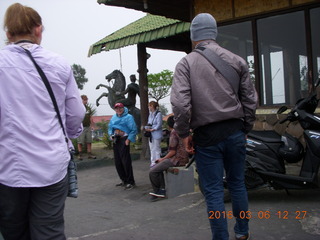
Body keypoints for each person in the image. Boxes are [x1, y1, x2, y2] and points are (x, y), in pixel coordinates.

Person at [0, 3, 85, 240]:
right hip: (51, 164)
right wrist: (69, 133)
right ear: (38, 29)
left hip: (7, 166)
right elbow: (76, 113)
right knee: (49, 232)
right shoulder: (59, 64)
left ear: (8, 33)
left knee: (14, 232)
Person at [171, 13, 258, 240]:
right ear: (214, 33)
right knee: (238, 184)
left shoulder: (186, 63)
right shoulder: (237, 60)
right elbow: (250, 100)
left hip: (207, 136)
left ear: (193, 36)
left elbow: (180, 104)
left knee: (213, 192)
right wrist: (245, 129)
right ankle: (242, 231)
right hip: (235, 131)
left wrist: (183, 133)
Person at [149, 115, 189, 202]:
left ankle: (159, 191)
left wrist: (162, 159)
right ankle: (161, 189)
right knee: (159, 167)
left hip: (177, 159)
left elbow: (172, 152)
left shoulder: (174, 133)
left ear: (169, 125)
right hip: (184, 157)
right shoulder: (183, 130)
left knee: (153, 171)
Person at [108, 102, 137, 190]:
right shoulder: (114, 117)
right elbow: (110, 128)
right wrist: (111, 135)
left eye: (120, 108)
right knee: (118, 161)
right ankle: (123, 179)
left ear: (123, 108)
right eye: (116, 108)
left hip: (124, 139)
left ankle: (130, 181)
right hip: (116, 140)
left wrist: (128, 139)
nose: (118, 110)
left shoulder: (129, 117)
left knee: (126, 161)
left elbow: (134, 129)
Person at [77, 95, 96, 160]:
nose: (86, 101)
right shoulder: (78, 108)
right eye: (84, 100)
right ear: (81, 100)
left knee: (89, 141)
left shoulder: (88, 108)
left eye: (86, 100)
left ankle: (89, 154)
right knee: (80, 142)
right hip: (81, 127)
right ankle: (80, 155)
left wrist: (92, 125)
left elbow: (90, 117)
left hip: (88, 127)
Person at [144, 101, 163, 168]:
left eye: (149, 106)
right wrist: (146, 128)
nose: (149, 107)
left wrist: (153, 129)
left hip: (156, 133)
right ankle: (153, 162)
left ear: (152, 106)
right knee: (152, 148)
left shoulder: (158, 114)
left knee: (157, 148)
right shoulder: (150, 114)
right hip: (151, 134)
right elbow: (149, 123)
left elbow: (159, 124)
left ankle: (158, 161)